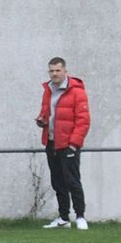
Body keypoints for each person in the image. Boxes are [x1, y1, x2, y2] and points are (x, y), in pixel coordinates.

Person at [36, 57, 91, 230]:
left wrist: (74, 144)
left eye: (58, 70)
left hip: (68, 144)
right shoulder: (48, 90)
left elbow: (83, 121)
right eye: (51, 71)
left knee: (72, 181)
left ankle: (80, 216)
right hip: (52, 142)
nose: (54, 74)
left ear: (65, 71)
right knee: (58, 182)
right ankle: (63, 217)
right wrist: (42, 120)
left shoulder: (77, 92)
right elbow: (47, 113)